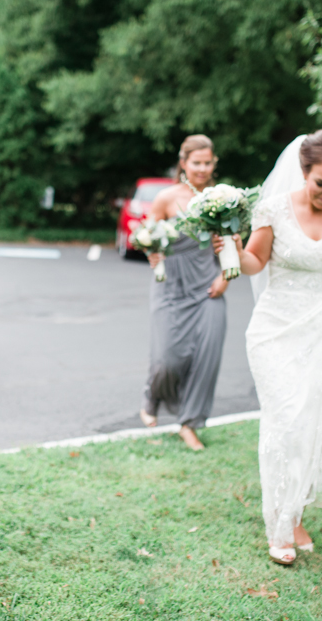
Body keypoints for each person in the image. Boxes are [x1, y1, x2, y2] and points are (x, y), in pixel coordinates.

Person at [215, 129, 322, 565]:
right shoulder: (273, 208)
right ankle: (278, 526)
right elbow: (256, 262)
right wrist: (235, 250)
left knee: (313, 423)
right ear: (304, 172)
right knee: (288, 420)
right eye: (320, 184)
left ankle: (292, 513)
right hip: (276, 330)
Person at [139, 135, 229, 451]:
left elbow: (232, 247)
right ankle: (152, 395)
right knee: (168, 358)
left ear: (213, 163)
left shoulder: (222, 200)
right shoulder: (166, 198)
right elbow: (148, 236)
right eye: (196, 163)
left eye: (207, 163)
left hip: (208, 288)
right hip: (170, 287)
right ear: (184, 163)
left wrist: (225, 278)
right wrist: (152, 253)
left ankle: (190, 424)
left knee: (206, 358)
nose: (202, 169)